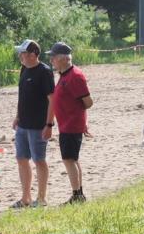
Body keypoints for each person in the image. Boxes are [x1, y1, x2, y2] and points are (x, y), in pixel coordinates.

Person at [46, 42, 93, 204]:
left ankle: (77, 195)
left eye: (53, 57)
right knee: (72, 159)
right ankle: (78, 193)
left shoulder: (75, 76)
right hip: (67, 124)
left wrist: (80, 119)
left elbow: (88, 102)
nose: (51, 60)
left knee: (69, 159)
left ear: (64, 59)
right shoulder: (64, 75)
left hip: (71, 125)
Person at [11, 40, 54, 207]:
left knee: (39, 160)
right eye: (20, 53)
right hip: (23, 124)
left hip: (38, 125)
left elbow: (52, 100)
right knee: (21, 159)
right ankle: (26, 198)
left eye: (23, 53)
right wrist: (17, 116)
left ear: (33, 55)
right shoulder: (24, 69)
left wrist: (49, 124)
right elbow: (21, 96)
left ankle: (42, 198)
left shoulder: (44, 71)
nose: (20, 56)